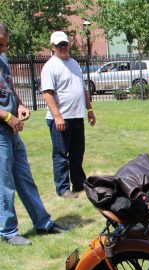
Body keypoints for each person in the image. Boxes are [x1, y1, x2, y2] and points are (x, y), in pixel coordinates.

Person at [0, 23, 66, 246]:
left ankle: (43, 223)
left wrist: (18, 105)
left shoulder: (3, 59)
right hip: (1, 131)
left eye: (5, 45)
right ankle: (8, 232)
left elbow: (8, 88)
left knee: (25, 178)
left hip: (11, 131)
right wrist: (7, 117)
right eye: (0, 44)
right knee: (5, 184)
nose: (3, 49)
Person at [41, 31, 96, 198]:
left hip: (76, 116)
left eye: (65, 44)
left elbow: (82, 89)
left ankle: (79, 184)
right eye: (59, 45)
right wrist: (57, 116)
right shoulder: (50, 66)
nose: (63, 47)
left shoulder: (74, 64)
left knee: (77, 152)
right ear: (53, 47)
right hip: (60, 119)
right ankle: (63, 188)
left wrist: (89, 109)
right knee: (61, 155)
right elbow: (47, 93)